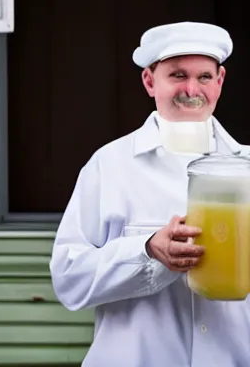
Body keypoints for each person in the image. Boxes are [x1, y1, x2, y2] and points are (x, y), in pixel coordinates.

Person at [49, 21, 250, 367]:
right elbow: (68, 279)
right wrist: (146, 250)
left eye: (204, 76)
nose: (192, 88)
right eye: (177, 75)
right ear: (149, 81)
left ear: (220, 81)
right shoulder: (109, 165)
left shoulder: (247, 166)